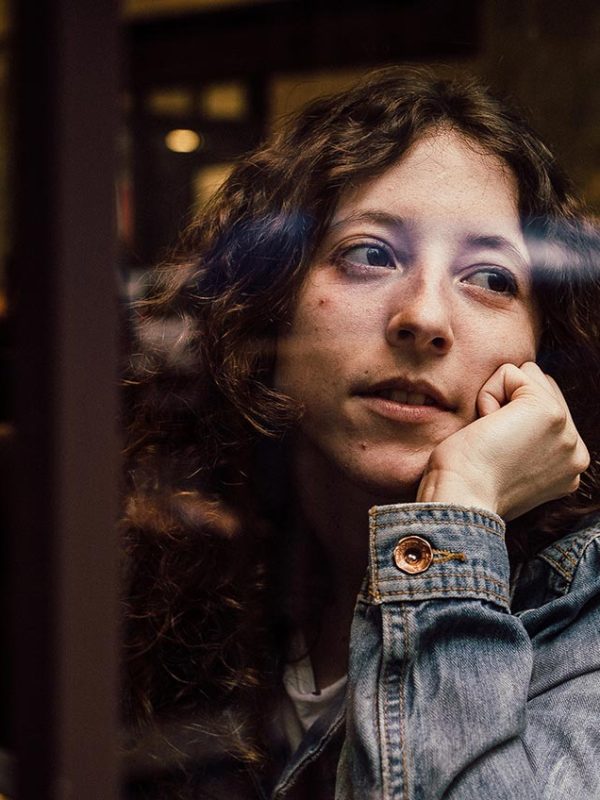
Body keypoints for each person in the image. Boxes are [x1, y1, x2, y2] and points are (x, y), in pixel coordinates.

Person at [121, 67, 600, 799]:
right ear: (269, 306)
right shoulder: (171, 558)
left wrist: (460, 509)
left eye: (490, 277)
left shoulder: (584, 602)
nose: (425, 318)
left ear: (541, 347)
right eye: (371, 254)